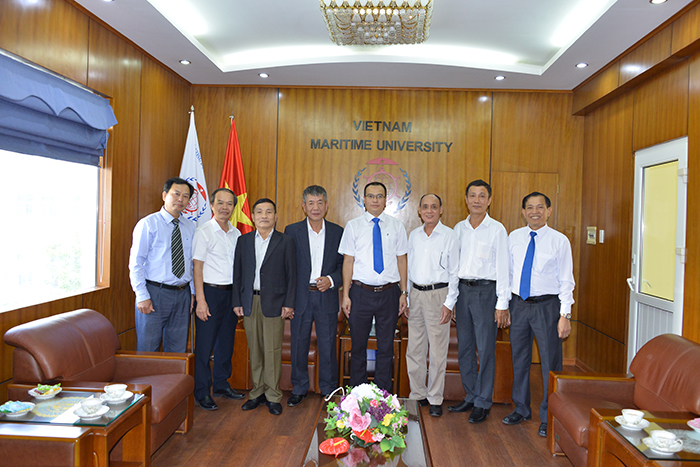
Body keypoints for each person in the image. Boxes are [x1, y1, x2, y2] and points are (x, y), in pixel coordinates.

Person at [502, 192, 574, 438]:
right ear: (523, 212)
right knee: (519, 359)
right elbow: (507, 274)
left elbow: (566, 280)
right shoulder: (513, 238)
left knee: (550, 363)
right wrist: (504, 305)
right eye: (530, 207)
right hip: (519, 305)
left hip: (547, 307)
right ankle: (521, 408)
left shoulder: (559, 241)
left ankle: (549, 415)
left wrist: (565, 315)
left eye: (540, 207)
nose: (535, 212)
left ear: (549, 211)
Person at [449, 180, 510, 424]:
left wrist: (502, 303)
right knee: (465, 347)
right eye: (472, 195)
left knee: (485, 349)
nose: (476, 200)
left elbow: (504, 268)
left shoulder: (497, 229)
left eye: (481, 196)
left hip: (487, 293)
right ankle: (471, 395)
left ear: (489, 200)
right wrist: (453, 298)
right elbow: (454, 266)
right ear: (466, 199)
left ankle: (483, 401)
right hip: (463, 291)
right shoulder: (459, 229)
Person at [339, 181, 408, 391]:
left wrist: (404, 293)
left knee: (386, 347)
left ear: (386, 200)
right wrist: (346, 295)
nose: (375, 200)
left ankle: (383, 395)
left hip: (389, 293)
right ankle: (358, 394)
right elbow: (348, 262)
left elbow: (402, 260)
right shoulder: (353, 226)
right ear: (364, 200)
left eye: (379, 196)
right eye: (371, 196)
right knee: (358, 346)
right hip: (360, 293)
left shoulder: (396, 226)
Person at [232, 198, 296, 415]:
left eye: (269, 212)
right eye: (259, 212)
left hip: (275, 303)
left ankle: (273, 395)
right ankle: (257, 392)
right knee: (255, 349)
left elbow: (292, 275)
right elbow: (237, 273)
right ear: (252, 217)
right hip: (250, 301)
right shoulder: (243, 241)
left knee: (272, 350)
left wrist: (289, 303)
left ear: (275, 216)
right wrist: (237, 301)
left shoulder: (285, 241)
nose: (264, 216)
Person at [284, 185, 344, 404]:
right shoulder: (292, 231)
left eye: (320, 202)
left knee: (328, 345)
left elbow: (345, 265)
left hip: (326, 295)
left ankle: (328, 389)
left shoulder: (338, 232)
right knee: (299, 344)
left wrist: (331, 280)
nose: (315, 207)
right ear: (304, 206)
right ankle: (299, 387)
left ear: (326, 205)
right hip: (301, 296)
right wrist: (288, 300)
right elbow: (287, 267)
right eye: (311, 203)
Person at [406, 193, 459, 417]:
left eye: (434, 207)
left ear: (441, 210)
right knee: (415, 349)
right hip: (416, 294)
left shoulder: (450, 236)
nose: (429, 211)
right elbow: (408, 268)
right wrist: (407, 297)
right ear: (419, 210)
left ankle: (435, 398)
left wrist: (449, 303)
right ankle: (417, 394)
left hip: (439, 295)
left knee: (437, 350)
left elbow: (455, 272)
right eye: (425, 207)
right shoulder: (414, 235)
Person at [192, 188, 245, 410]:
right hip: (210, 293)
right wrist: (201, 301)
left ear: (234, 208)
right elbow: (197, 268)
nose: (225, 207)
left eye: (229, 203)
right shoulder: (203, 232)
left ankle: (222, 384)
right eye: (220, 203)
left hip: (230, 294)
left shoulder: (236, 234)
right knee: (205, 346)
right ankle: (202, 392)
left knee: (226, 342)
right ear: (212, 205)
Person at [129, 177, 195, 353]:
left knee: (177, 349)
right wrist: (141, 295)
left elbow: (191, 263)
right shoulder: (148, 224)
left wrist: (192, 293)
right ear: (164, 195)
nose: (180, 199)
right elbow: (136, 263)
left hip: (182, 294)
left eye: (186, 196)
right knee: (148, 348)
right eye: (176, 194)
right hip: (154, 293)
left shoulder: (190, 226)